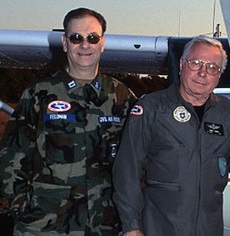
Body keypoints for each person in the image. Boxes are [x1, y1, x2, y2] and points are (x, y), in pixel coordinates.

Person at [112, 35, 230, 236]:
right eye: (196, 63)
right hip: (159, 226)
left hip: (208, 228)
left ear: (219, 75)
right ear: (181, 65)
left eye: (212, 67)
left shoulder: (227, 113)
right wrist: (132, 226)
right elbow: (127, 169)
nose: (203, 73)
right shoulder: (151, 108)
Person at [0, 7, 136, 235]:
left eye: (92, 38)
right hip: (45, 225)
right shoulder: (39, 94)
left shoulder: (121, 96)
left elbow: (140, 154)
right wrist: (22, 207)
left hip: (103, 223)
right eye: (76, 38)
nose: (85, 45)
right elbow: (12, 155)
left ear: (102, 43)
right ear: (65, 43)